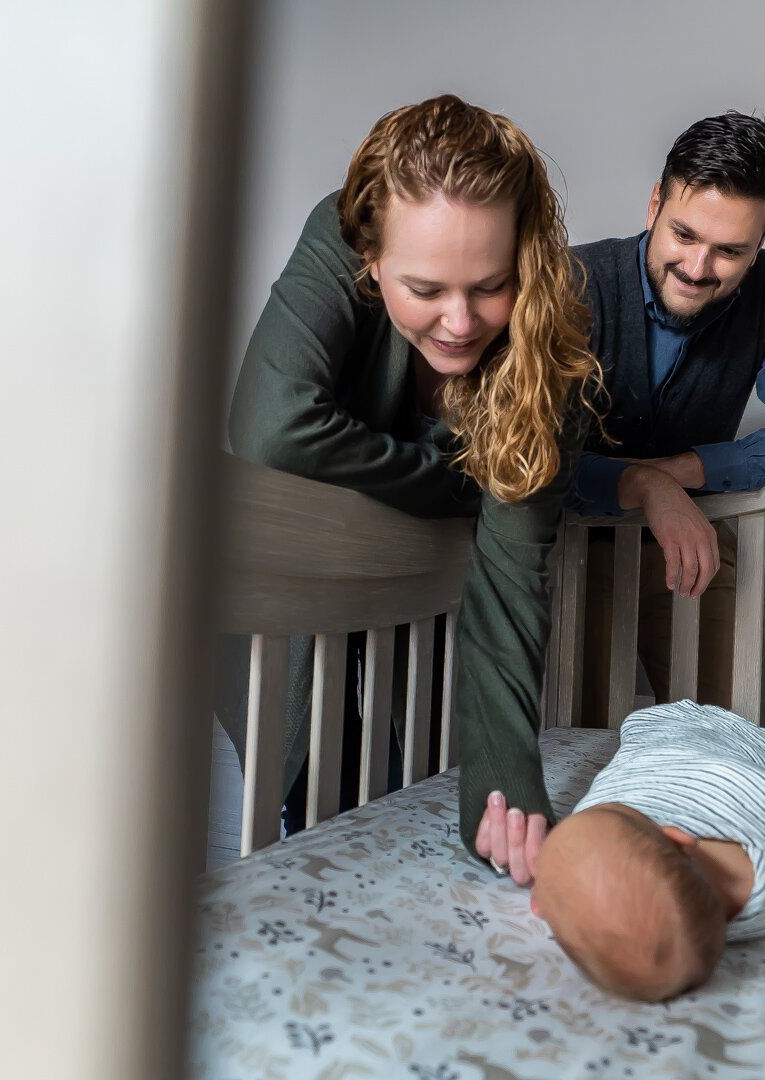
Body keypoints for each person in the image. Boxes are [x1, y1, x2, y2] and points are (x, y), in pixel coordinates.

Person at [225, 94, 596, 865]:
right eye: (425, 290)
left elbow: (510, 579)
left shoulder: (547, 344)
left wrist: (506, 789)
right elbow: (271, 425)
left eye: (490, 285)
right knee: (298, 800)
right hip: (304, 592)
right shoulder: (340, 230)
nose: (459, 322)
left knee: (411, 788)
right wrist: (453, 487)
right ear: (370, 258)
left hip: (428, 616)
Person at [569, 112, 765, 723]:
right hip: (569, 543)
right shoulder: (570, 282)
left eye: (730, 251)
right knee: (578, 737)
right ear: (655, 204)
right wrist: (643, 485)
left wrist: (675, 475)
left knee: (717, 737)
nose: (698, 269)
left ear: (761, 243)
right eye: (684, 235)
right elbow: (525, 454)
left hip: (693, 542)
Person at [527, 700, 765, 1001]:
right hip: (737, 768)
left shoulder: (688, 930)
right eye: (618, 807)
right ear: (677, 837)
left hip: (690, 765)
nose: (610, 797)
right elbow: (761, 795)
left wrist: (557, 893)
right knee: (661, 741)